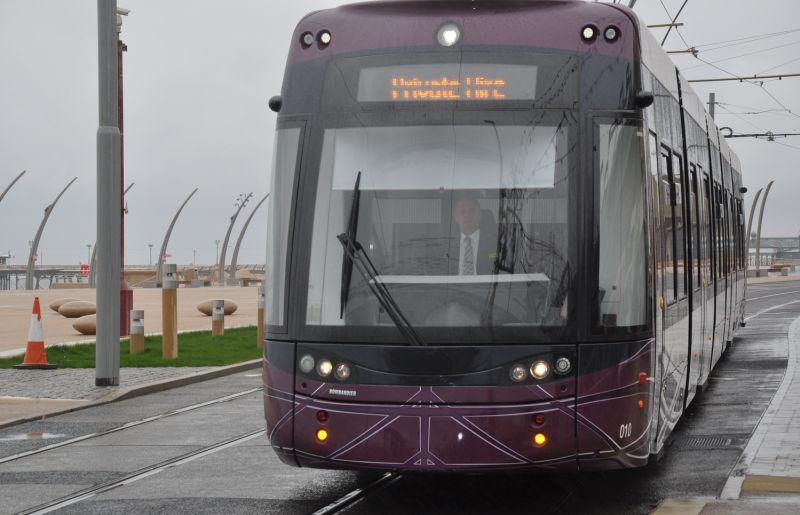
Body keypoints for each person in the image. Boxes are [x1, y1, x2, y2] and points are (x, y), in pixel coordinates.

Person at [452, 193, 498, 275]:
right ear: (456, 217)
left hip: (485, 287)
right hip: (452, 287)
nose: (467, 215)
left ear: (480, 215)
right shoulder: (445, 244)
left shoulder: (495, 245)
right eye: (463, 212)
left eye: (472, 211)